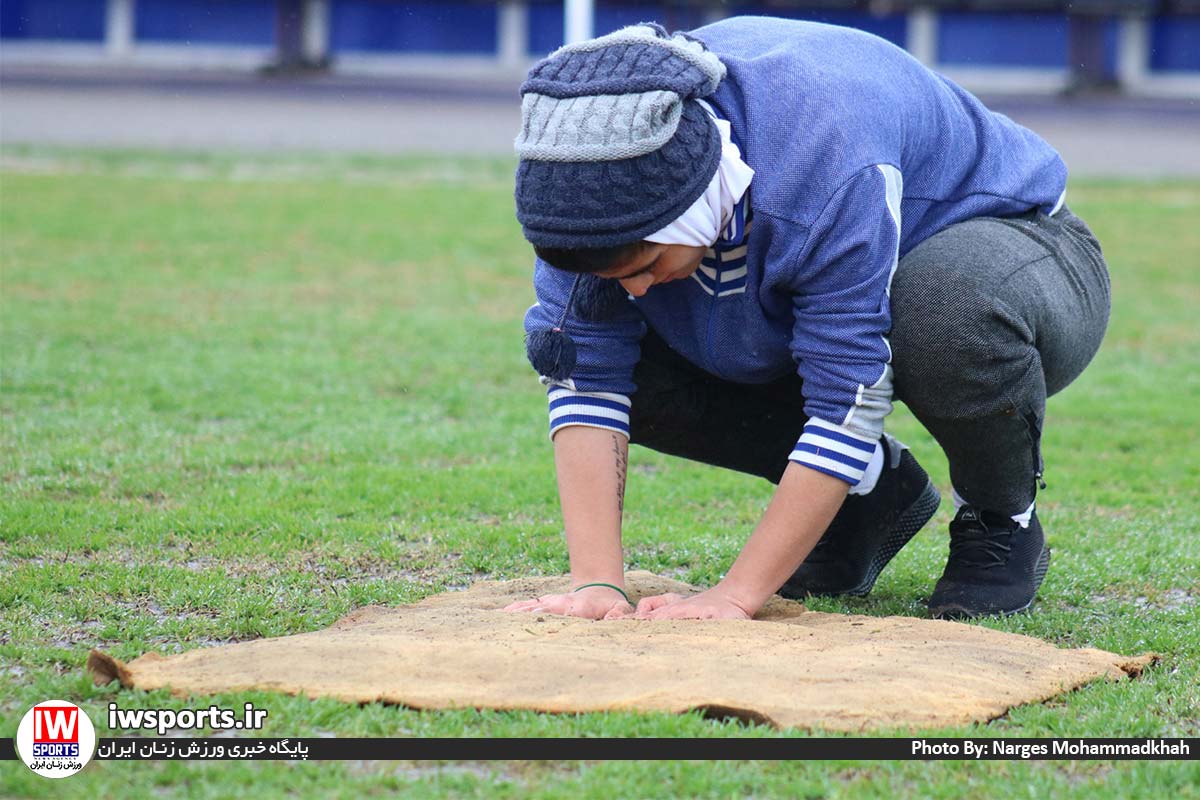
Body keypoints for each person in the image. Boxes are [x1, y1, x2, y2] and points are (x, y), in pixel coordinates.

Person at [500, 19, 1110, 622]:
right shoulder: (581, 177)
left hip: (1017, 248)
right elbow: (585, 375)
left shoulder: (823, 162)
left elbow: (850, 395)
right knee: (626, 365)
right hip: (783, 258)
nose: (634, 286)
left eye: (649, 261)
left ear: (690, 207)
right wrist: (596, 583)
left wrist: (736, 595)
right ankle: (871, 494)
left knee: (941, 308)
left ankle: (1001, 518)